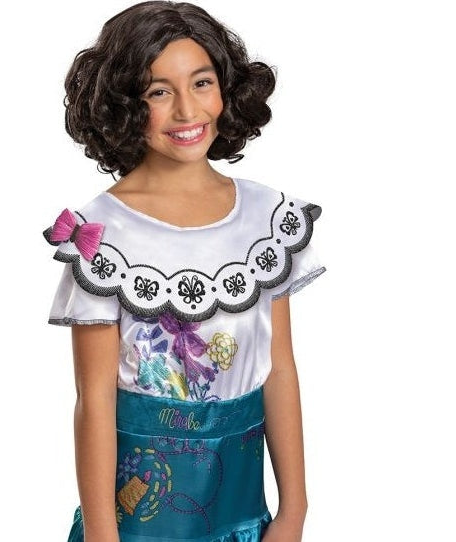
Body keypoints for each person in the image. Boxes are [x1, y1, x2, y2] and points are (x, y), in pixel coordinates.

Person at [43, 2, 327, 541]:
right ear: (125, 104)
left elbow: (279, 369)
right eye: (158, 91)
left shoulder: (266, 220)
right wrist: (103, 536)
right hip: (137, 528)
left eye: (201, 83)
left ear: (226, 88)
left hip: (242, 519)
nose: (186, 110)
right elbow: (94, 398)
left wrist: (294, 512)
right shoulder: (104, 234)